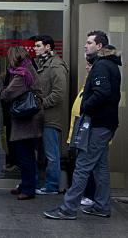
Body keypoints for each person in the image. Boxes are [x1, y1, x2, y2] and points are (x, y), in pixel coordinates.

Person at [44, 31, 121, 220]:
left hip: (98, 124)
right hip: (105, 124)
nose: (85, 46)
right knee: (100, 166)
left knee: (82, 166)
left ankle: (68, 208)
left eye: (89, 43)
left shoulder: (102, 66)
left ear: (100, 46)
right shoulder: (108, 64)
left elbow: (101, 92)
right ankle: (102, 205)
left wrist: (85, 106)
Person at [0, 47, 44, 200]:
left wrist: (4, 89)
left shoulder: (21, 74)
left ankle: (28, 189)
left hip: (27, 120)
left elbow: (7, 94)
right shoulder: (28, 69)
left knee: (25, 156)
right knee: (26, 155)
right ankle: (26, 185)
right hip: (29, 119)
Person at [33, 35, 69, 195]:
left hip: (51, 118)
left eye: (38, 46)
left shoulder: (55, 66)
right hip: (41, 117)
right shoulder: (43, 64)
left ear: (48, 47)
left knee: (51, 154)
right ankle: (44, 183)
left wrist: (41, 103)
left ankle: (52, 186)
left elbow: (59, 93)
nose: (35, 48)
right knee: (43, 153)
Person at [66, 55, 96, 207]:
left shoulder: (94, 85)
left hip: (87, 129)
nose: (86, 67)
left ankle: (89, 195)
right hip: (80, 127)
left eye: (89, 65)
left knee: (88, 165)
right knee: (84, 164)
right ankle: (86, 194)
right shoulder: (87, 84)